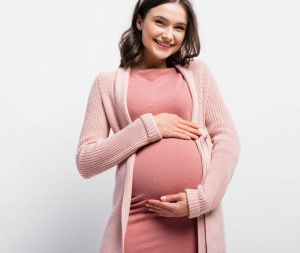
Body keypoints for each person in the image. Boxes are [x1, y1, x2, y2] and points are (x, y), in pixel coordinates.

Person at [75, 0, 241, 252]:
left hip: (194, 223)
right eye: (160, 22)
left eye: (179, 27)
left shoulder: (197, 73)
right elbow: (86, 161)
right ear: (140, 21)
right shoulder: (107, 84)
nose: (168, 35)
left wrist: (202, 199)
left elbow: (227, 138)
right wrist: (149, 127)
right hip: (137, 223)